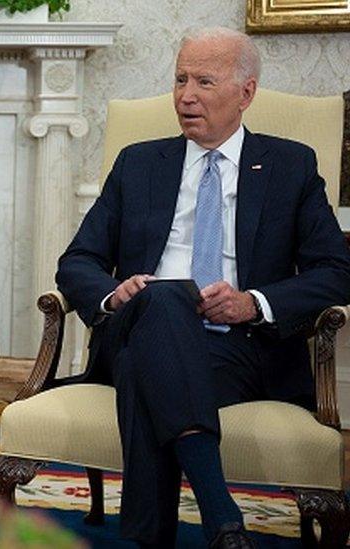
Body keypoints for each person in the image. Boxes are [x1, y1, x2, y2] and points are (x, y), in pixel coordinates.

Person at [56, 27, 350, 548]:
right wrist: (112, 295)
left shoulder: (290, 165)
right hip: (139, 320)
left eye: (204, 81)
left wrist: (252, 304)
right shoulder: (139, 163)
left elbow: (335, 269)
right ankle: (220, 516)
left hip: (240, 346)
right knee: (165, 297)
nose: (185, 95)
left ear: (246, 93)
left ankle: (156, 536)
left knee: (150, 361)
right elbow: (78, 260)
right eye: (179, 79)